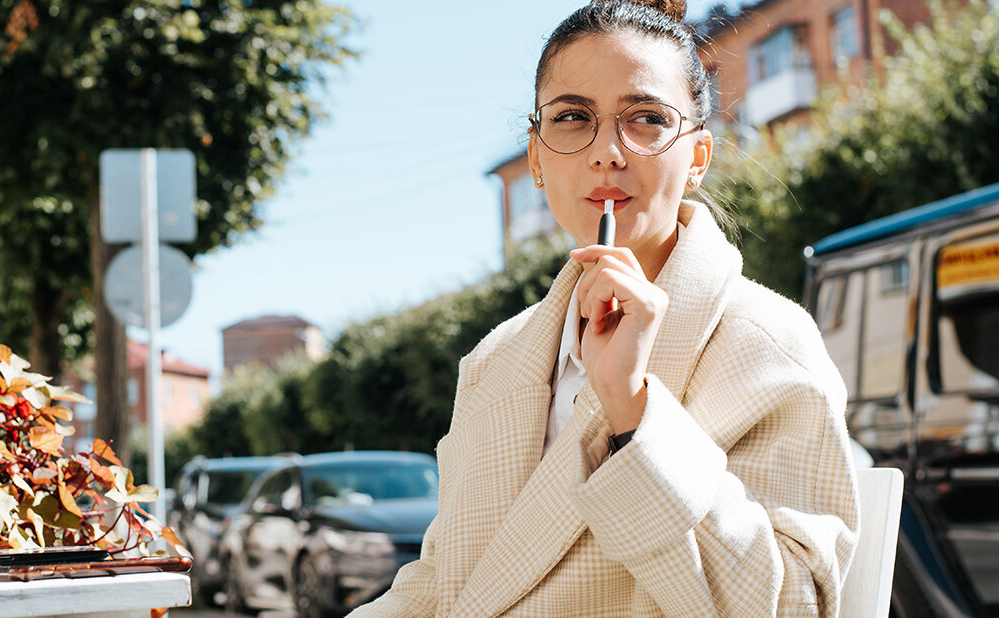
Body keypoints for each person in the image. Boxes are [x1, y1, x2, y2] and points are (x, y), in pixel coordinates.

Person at [350, 0, 859, 615]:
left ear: (698, 158)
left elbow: (794, 604)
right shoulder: (493, 362)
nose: (608, 152)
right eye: (572, 117)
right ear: (535, 159)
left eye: (646, 118)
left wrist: (633, 411)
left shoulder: (766, 342)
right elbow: (444, 580)